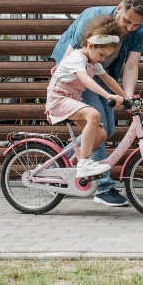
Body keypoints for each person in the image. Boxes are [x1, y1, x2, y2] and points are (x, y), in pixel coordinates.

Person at [51, 0, 143, 207]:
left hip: (100, 72)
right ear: (118, 9)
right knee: (95, 122)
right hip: (78, 75)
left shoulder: (138, 28)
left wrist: (128, 97)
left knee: (108, 131)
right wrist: (66, 83)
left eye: (136, 25)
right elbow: (72, 56)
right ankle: (102, 188)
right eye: (127, 21)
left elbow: (131, 66)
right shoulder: (92, 18)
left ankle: (58, 167)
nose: (131, 28)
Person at [45, 15, 127, 178]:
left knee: (101, 134)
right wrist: (107, 95)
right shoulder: (76, 58)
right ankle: (84, 163)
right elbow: (85, 80)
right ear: (91, 45)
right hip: (59, 99)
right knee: (93, 114)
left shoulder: (92, 63)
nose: (103, 59)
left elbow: (108, 79)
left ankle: (73, 163)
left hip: (71, 99)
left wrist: (127, 97)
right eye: (102, 54)